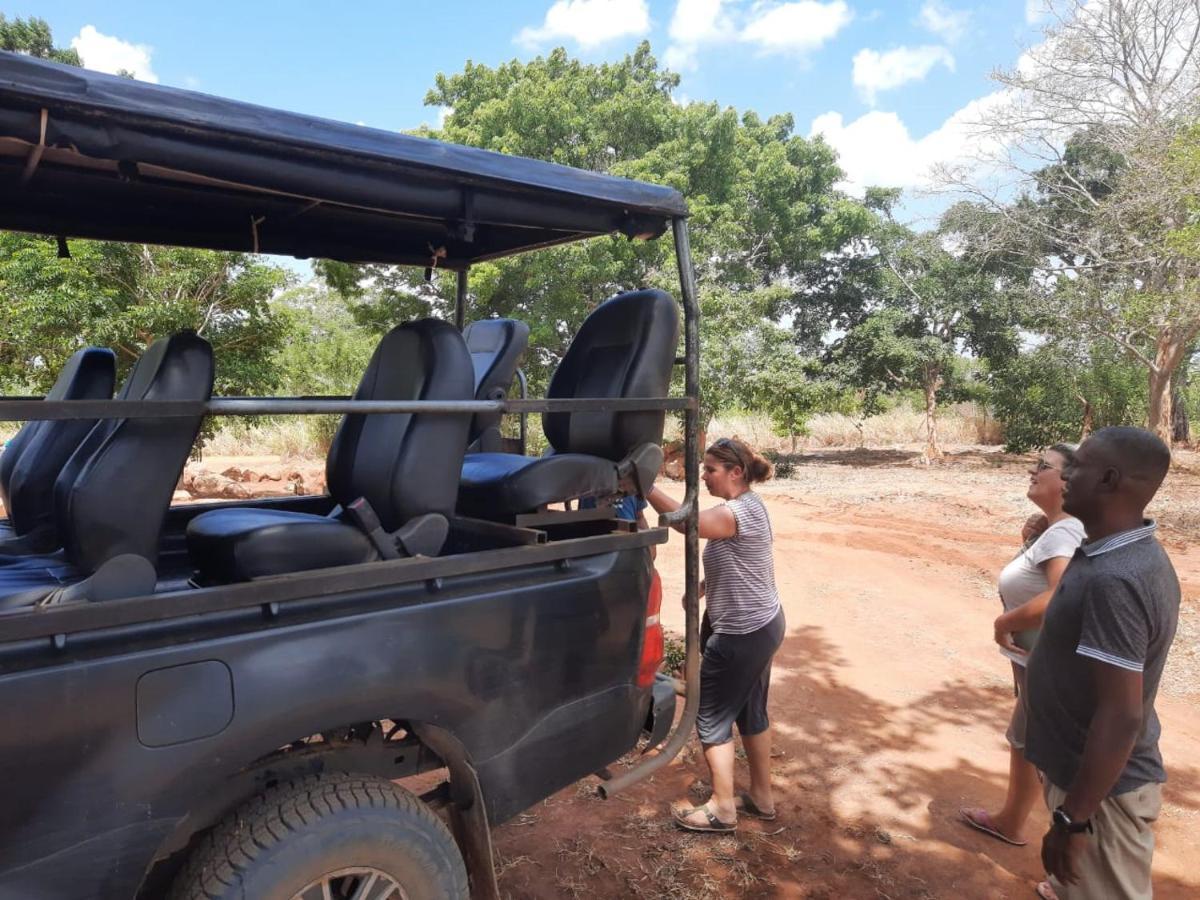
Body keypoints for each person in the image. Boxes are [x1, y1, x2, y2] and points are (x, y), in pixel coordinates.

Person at [1024, 427, 1179, 900]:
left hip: (1102, 798)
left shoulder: (1117, 578)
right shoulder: (1109, 552)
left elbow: (1122, 713)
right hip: (1084, 781)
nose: (1066, 473)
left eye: (1079, 466)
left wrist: (1074, 820)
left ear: (1110, 479)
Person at [645, 437, 785, 833]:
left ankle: (723, 809)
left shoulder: (738, 511)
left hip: (741, 634)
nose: (702, 477)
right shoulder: (751, 510)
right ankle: (761, 797)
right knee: (751, 711)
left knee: (711, 717)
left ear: (735, 473)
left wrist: (646, 487)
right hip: (762, 624)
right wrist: (706, 587)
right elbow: (744, 559)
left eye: (709, 470)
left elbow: (688, 523)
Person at [961, 444, 1085, 847]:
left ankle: (1074, 870)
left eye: (1043, 467)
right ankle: (1012, 821)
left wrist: (1004, 623)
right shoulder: (1059, 528)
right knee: (1026, 738)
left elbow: (1058, 598)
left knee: (1048, 751)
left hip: (1051, 665)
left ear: (1068, 481)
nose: (1032, 471)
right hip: (1041, 662)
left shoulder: (1065, 532)